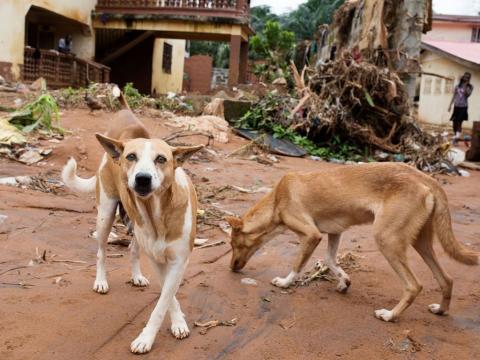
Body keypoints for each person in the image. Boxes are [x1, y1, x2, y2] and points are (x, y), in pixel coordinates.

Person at [448, 72, 473, 143]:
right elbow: (454, 96)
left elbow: (467, 95)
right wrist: (450, 105)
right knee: (454, 123)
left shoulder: (470, 87)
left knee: (459, 122)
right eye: (465, 77)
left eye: (468, 77)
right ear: (463, 77)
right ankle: (456, 135)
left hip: (463, 107)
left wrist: (465, 85)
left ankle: (456, 138)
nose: (466, 78)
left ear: (469, 79)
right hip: (456, 106)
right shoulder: (457, 86)